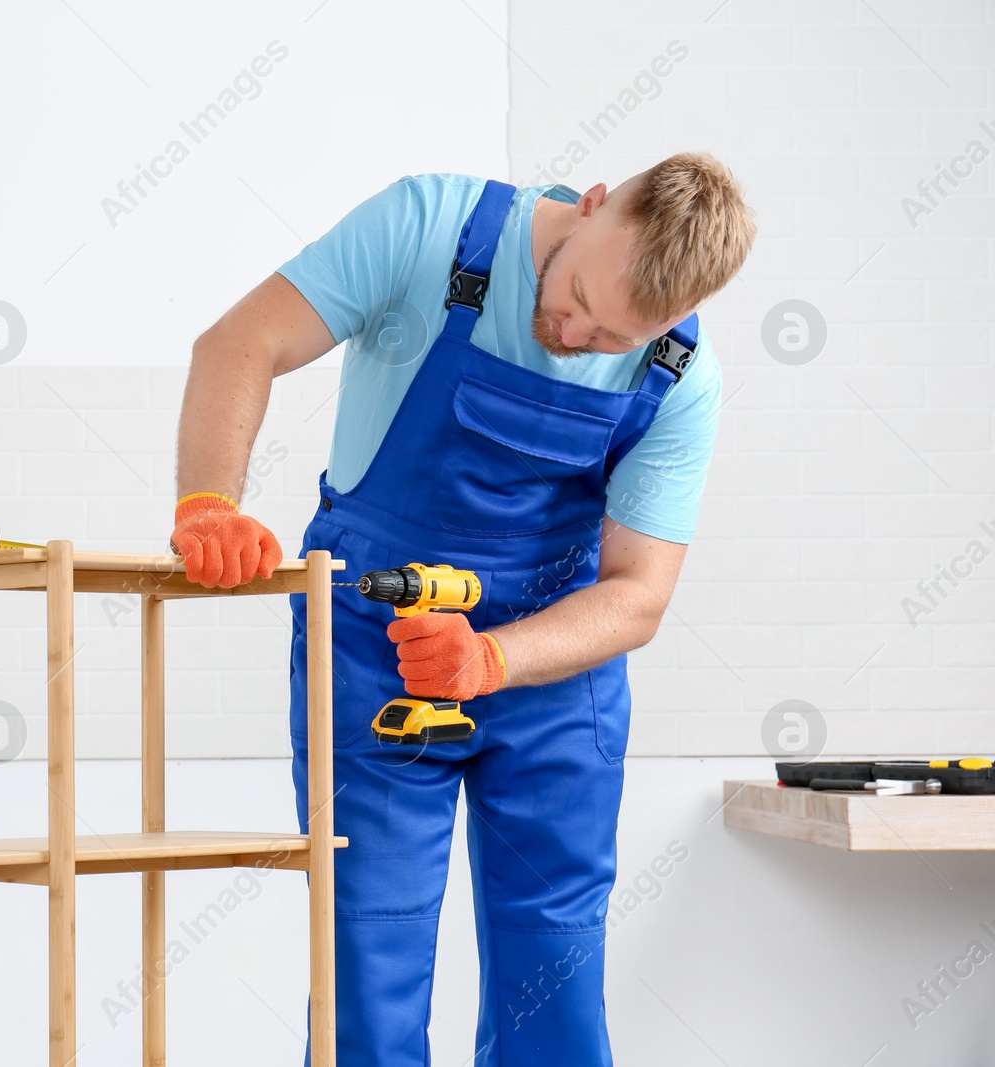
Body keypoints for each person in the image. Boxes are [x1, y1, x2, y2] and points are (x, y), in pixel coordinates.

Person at [169, 154, 756, 1066]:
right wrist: (210, 501)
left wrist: (491, 660)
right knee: (369, 951)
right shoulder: (429, 228)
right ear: (590, 205)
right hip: (376, 650)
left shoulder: (682, 377)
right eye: (575, 298)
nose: (574, 332)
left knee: (553, 971)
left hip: (554, 673)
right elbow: (240, 344)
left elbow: (637, 594)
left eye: (610, 338)